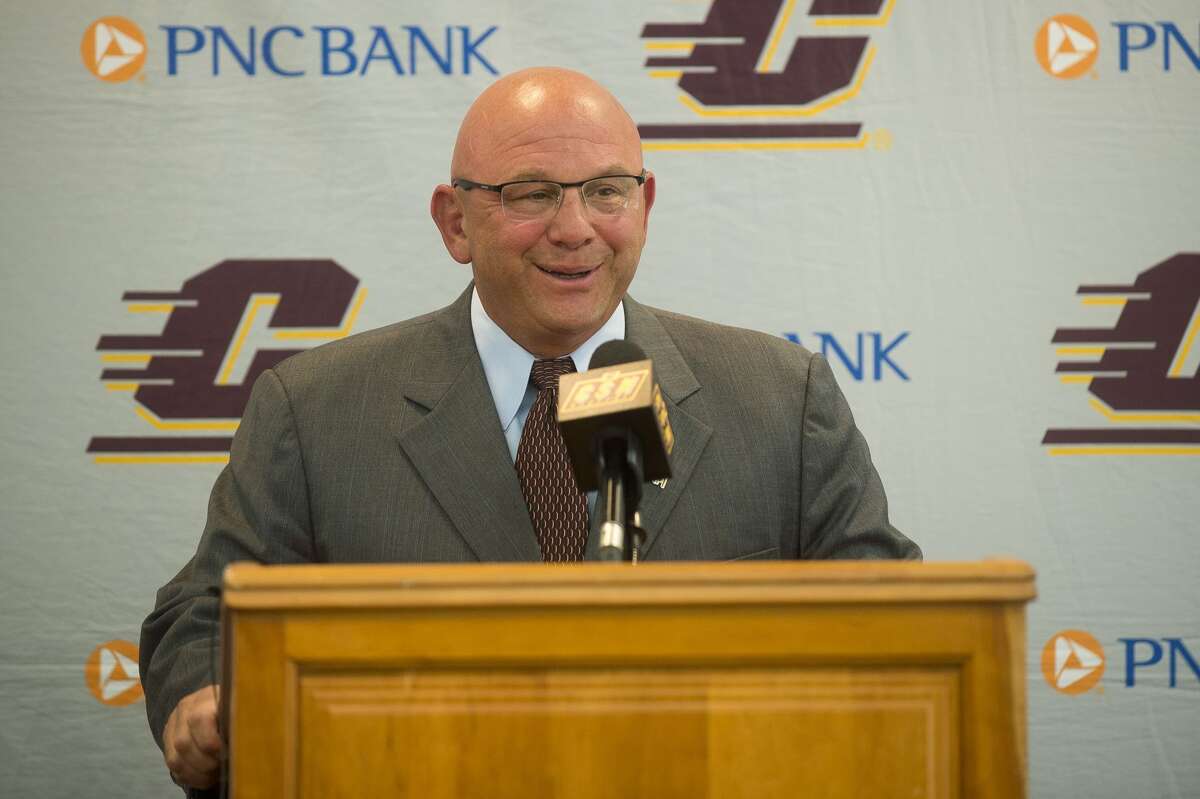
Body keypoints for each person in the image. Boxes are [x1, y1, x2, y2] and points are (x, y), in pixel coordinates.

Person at [141, 66, 920, 793]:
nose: (575, 228)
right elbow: (204, 611)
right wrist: (201, 691)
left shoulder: (781, 397)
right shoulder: (314, 410)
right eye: (531, 194)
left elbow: (895, 624)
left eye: (606, 192)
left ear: (645, 206)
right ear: (455, 222)